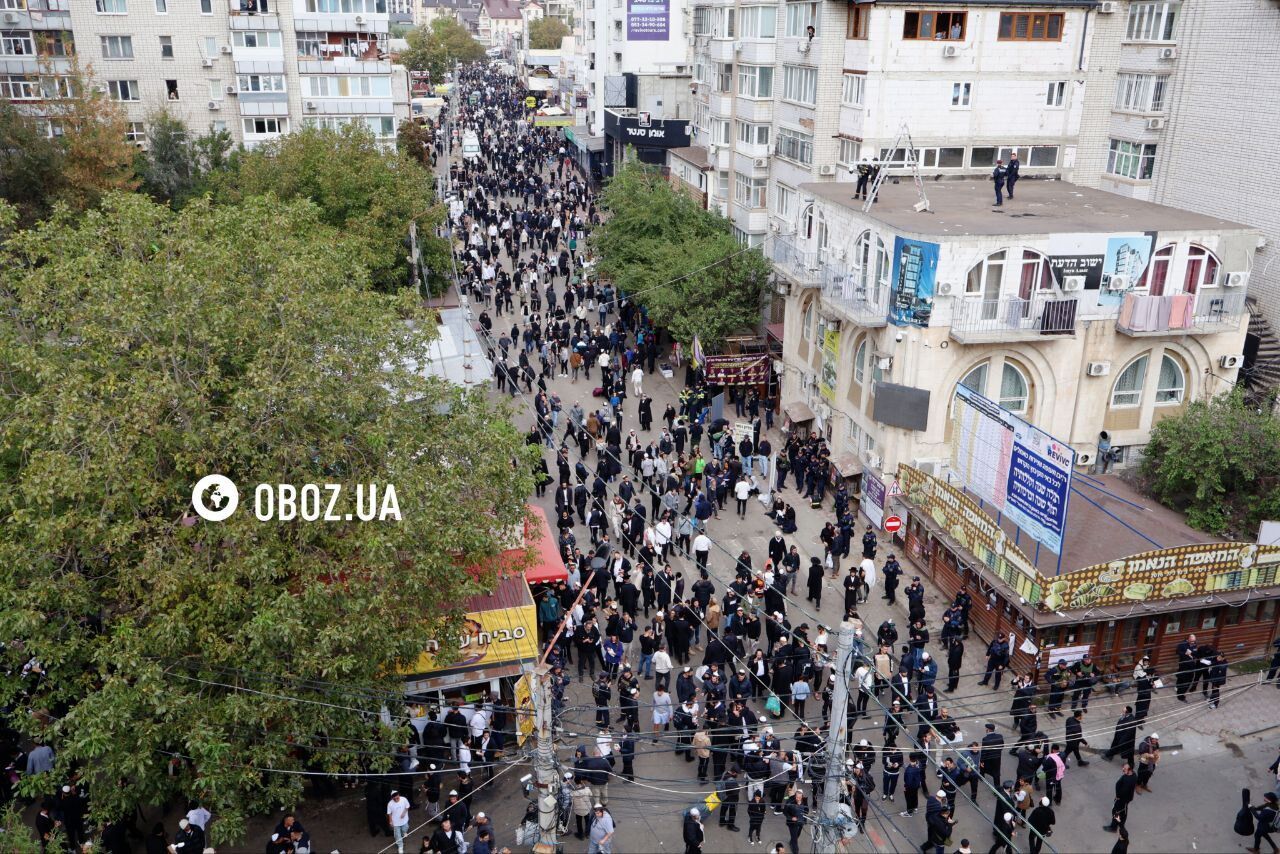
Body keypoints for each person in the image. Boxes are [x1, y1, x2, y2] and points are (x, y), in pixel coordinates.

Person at [1103, 763, 1137, 833]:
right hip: (1124, 799)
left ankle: (1114, 827)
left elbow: (1123, 792)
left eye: (1125, 769)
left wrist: (1118, 797)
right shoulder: (1132, 774)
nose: (1123, 769)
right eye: (1123, 768)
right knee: (1123, 811)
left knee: (1116, 812)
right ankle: (1120, 824)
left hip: (1122, 799)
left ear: (1130, 770)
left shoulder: (1129, 781)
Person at [387, 790, 411, 854]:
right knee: (398, 835)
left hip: (404, 820)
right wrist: (390, 822)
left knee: (405, 828)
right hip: (396, 823)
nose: (396, 799)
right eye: (394, 798)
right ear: (392, 798)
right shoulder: (390, 804)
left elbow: (407, 807)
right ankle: (400, 846)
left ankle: (404, 833)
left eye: (397, 797)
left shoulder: (404, 799)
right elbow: (389, 813)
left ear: (399, 795)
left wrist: (404, 813)